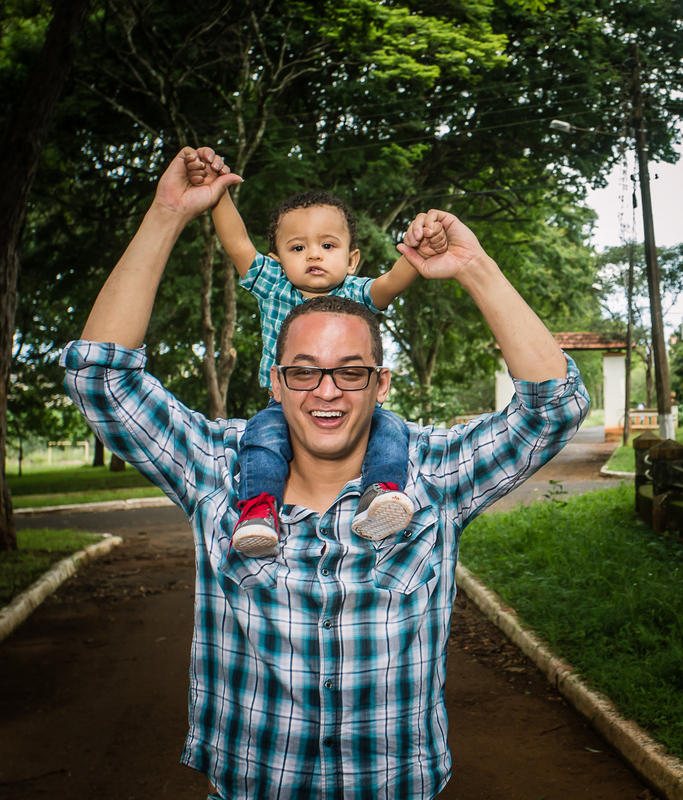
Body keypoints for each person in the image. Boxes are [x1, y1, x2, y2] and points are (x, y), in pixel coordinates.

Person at [62, 146, 589, 799]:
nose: (328, 392)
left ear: (380, 381)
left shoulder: (436, 474)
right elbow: (100, 377)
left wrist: (474, 267)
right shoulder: (217, 469)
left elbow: (553, 409)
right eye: (304, 370)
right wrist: (169, 212)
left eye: (351, 371)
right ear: (278, 382)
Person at [184, 147, 433, 557]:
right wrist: (218, 195)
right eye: (297, 248)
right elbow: (237, 242)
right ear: (278, 259)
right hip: (284, 402)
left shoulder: (356, 292)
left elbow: (391, 282)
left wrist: (417, 251)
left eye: (327, 245)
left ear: (352, 259)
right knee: (261, 440)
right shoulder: (272, 286)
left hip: (353, 403)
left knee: (390, 431)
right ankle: (259, 511)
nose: (313, 254)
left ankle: (381, 494)